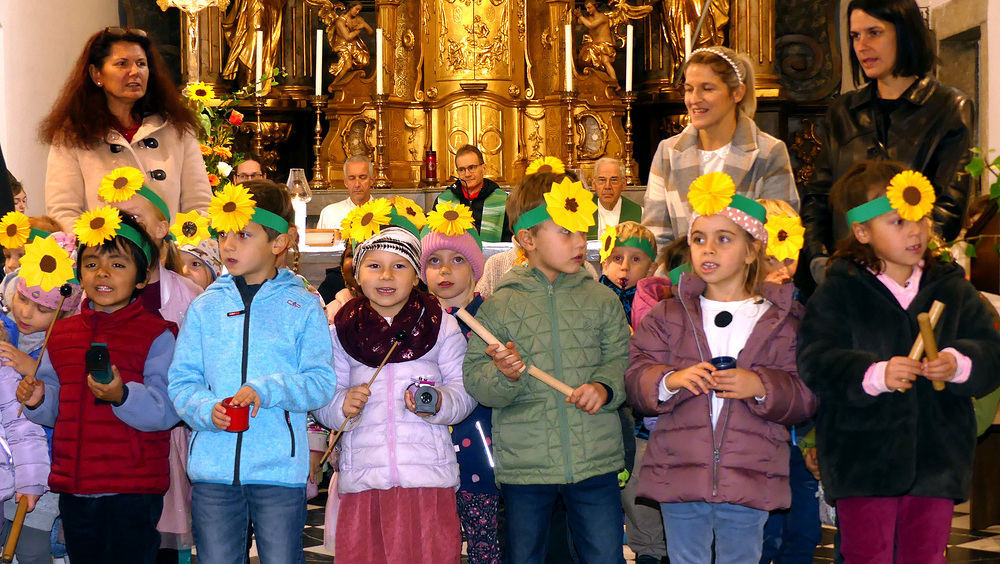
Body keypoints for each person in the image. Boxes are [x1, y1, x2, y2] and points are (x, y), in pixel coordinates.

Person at [797, 161, 1000, 563]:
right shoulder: (839, 290)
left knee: (925, 555)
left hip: (937, 460)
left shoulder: (952, 287)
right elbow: (815, 361)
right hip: (862, 460)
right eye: (897, 221)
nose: (915, 231)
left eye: (920, 218)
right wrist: (875, 374)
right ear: (862, 231)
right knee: (866, 555)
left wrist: (958, 363)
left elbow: (992, 351)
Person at [626, 174, 817, 564]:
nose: (708, 248)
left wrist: (761, 386)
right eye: (699, 239)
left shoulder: (781, 320)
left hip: (750, 471)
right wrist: (669, 380)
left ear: (752, 251)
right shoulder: (668, 314)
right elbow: (636, 376)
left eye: (723, 239)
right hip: (680, 470)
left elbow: (804, 395)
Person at [463, 172, 630, 563]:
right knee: (525, 556)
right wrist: (505, 375)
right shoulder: (500, 306)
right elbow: (475, 378)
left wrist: (604, 388)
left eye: (582, 231)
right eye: (566, 232)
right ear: (527, 238)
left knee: (605, 555)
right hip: (527, 464)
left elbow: (621, 359)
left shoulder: (601, 299)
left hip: (593, 458)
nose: (580, 242)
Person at [168, 180, 337, 563]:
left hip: (278, 472)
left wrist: (268, 389)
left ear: (279, 242)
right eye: (223, 234)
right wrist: (205, 409)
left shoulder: (302, 306)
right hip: (214, 471)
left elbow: (320, 382)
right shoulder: (205, 307)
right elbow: (182, 381)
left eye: (243, 234)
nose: (228, 245)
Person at [313, 209, 476, 563]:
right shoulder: (341, 330)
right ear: (357, 275)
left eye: (399, 266)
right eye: (374, 266)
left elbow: (464, 390)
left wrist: (438, 402)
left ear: (416, 275)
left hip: (427, 476)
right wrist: (341, 405)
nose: (386, 276)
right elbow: (323, 394)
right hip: (365, 478)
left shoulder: (440, 326)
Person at [17, 210, 180, 564]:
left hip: (132, 487)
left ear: (142, 277)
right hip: (76, 487)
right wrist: (38, 399)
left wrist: (122, 396)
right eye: (91, 264)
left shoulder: (157, 334)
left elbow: (166, 410)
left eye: (118, 265)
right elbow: (54, 409)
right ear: (80, 273)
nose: (102, 273)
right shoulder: (61, 334)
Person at [799, 0, 974, 289]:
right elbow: (818, 198)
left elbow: (948, 207)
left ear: (905, 33)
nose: (862, 46)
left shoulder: (949, 107)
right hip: (841, 275)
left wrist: (897, 259)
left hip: (911, 277)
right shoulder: (843, 110)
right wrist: (818, 258)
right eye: (855, 36)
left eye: (874, 32)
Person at [41, 27, 212, 232]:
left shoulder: (177, 129)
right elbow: (63, 211)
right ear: (97, 74)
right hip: (103, 250)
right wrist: (101, 247)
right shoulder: (74, 135)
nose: (134, 72)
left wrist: (179, 246)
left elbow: (200, 205)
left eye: (141, 64)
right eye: (122, 64)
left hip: (171, 250)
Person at [643, 46, 798, 259]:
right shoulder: (668, 152)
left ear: (737, 93)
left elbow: (780, 237)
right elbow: (656, 237)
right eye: (689, 89)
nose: (694, 99)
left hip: (746, 277)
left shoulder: (768, 152)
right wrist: (678, 277)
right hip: (680, 277)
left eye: (707, 89)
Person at [420, 204, 501, 563]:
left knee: (487, 546)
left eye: (457, 260)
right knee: (435, 547)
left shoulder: (494, 315)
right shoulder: (416, 321)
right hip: (428, 453)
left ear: (475, 268)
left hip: (483, 450)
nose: (445, 270)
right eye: (434, 261)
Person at [0, 232, 82, 564]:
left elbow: (71, 402)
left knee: (31, 546)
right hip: (6, 465)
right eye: (23, 299)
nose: (26, 313)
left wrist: (31, 367)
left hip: (45, 466)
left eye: (42, 309)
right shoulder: (5, 331)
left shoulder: (66, 346)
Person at [755, 199, 821, 564]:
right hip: (756, 447)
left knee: (803, 533)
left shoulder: (807, 306)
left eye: (789, 258)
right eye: (770, 259)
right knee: (762, 537)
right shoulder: (740, 310)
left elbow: (815, 377)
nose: (781, 269)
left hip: (799, 443)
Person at [434, 145, 512, 243]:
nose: (467, 174)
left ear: (484, 168)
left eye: (472, 167)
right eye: (462, 169)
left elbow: (511, 239)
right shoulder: (443, 201)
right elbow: (434, 238)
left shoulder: (503, 200)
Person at [589, 158, 642, 240]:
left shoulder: (640, 213)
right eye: (602, 180)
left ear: (624, 184)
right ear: (593, 184)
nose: (607, 186)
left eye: (614, 180)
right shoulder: (581, 212)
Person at [317, 156, 373, 230]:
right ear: (345, 182)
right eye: (352, 178)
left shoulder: (384, 212)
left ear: (372, 180)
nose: (357, 184)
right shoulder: (330, 213)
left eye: (362, 178)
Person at [575, 0, 617, 80]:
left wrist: (580, 16)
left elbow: (591, 25)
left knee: (605, 62)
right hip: (593, 46)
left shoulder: (602, 17)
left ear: (595, 6)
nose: (587, 10)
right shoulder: (587, 19)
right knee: (586, 61)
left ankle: (615, 82)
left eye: (589, 8)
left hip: (604, 45)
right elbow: (577, 22)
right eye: (586, 8)